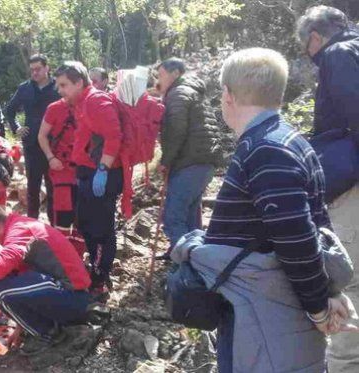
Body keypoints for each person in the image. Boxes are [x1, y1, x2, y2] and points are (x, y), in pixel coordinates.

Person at [207, 47, 354, 372]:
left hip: (263, 315)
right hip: (269, 308)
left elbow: (297, 237)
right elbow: (317, 226)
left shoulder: (267, 150)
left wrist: (319, 307)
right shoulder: (287, 141)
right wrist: (326, 291)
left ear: (228, 96)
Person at [297, 6, 359, 372]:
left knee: (347, 278)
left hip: (351, 185)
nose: (309, 55)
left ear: (316, 38)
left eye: (307, 47)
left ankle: (346, 364)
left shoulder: (338, 55)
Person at [0, 205, 91, 355]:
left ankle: (46, 333)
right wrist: (21, 326)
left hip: (74, 297)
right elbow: (21, 272)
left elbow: (1, 266)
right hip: (69, 295)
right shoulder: (18, 226)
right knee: (0, 275)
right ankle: (42, 328)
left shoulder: (19, 230)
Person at [57, 61, 123, 294]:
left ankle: (100, 277)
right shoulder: (81, 102)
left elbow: (115, 136)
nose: (60, 91)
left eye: (64, 85)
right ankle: (95, 268)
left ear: (78, 82)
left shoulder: (97, 101)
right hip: (87, 172)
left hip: (103, 174)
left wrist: (103, 171)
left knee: (102, 229)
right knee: (86, 224)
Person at [153, 58, 222, 260]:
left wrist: (165, 160)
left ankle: (186, 262)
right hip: (203, 161)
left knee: (173, 215)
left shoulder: (178, 93)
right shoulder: (193, 91)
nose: (159, 80)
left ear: (174, 73)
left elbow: (176, 130)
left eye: (161, 75)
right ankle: (189, 255)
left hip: (190, 161)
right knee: (191, 214)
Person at [4, 54, 61, 219]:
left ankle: (55, 228)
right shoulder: (25, 88)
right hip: (31, 146)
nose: (35, 73)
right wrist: (17, 127)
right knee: (33, 189)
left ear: (47, 68)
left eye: (38, 69)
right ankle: (32, 226)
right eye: (32, 70)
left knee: (53, 189)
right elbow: (10, 110)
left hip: (54, 146)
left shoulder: (58, 88)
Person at [38, 97, 85, 256]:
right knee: (63, 216)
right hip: (62, 170)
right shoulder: (55, 108)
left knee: (81, 217)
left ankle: (76, 257)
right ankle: (63, 257)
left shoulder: (90, 105)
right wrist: (51, 157)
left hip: (85, 169)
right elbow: (42, 135)